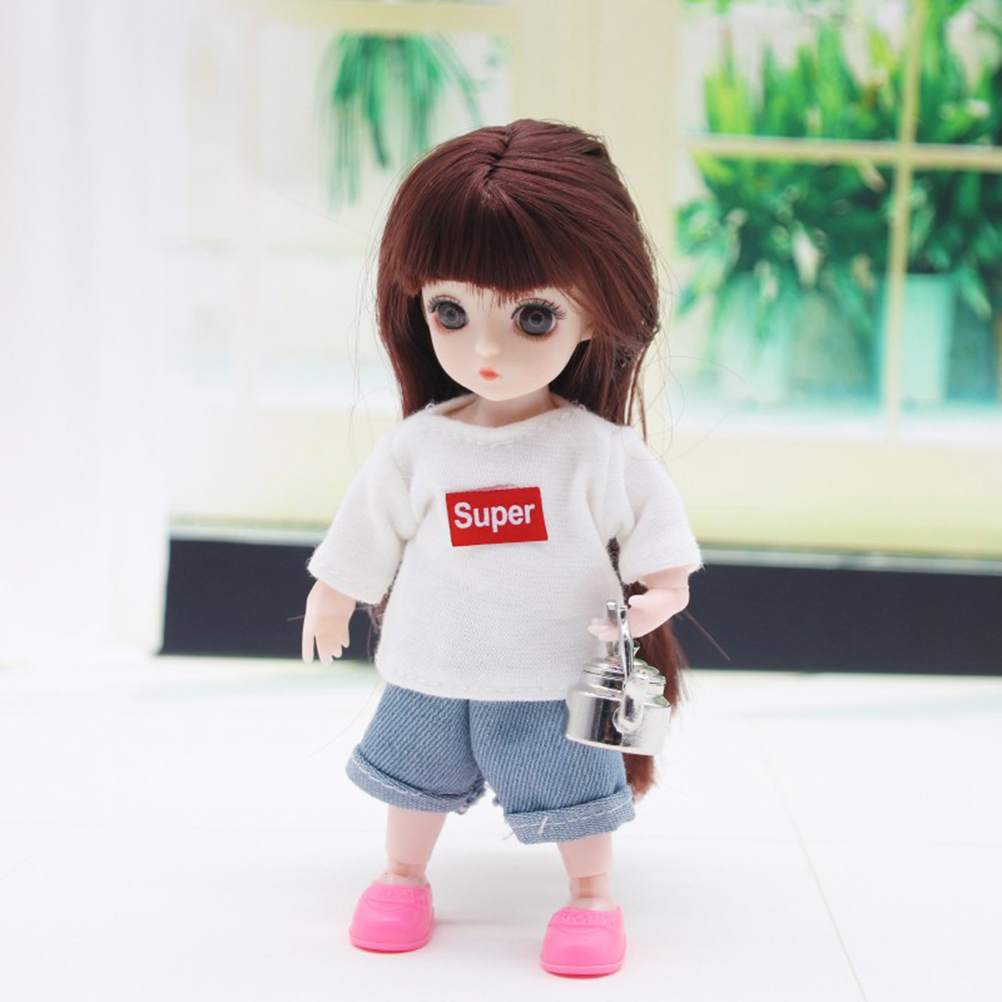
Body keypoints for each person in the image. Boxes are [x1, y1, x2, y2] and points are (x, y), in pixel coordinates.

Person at [302, 119, 701, 977]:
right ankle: (403, 876)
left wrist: (659, 596)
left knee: (575, 791)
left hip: (551, 672)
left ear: (595, 315)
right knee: (412, 784)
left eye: (532, 317)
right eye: (450, 311)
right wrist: (333, 592)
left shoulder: (594, 451)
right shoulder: (423, 445)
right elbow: (368, 527)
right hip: (431, 664)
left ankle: (590, 896)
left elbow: (660, 544)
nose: (484, 351)